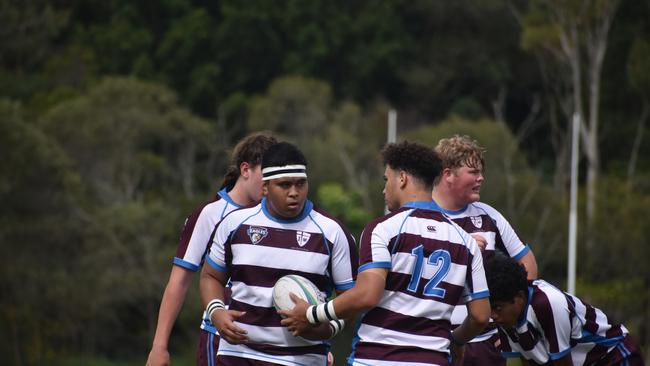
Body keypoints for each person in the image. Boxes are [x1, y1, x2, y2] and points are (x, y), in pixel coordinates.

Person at [280, 141, 491, 366]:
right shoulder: (465, 241)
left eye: (386, 179)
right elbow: (480, 316)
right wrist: (456, 340)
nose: (383, 189)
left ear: (402, 178)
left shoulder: (384, 229)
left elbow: (367, 294)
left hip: (378, 359)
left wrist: (313, 314)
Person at [200, 141, 359, 365]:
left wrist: (324, 329)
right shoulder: (234, 224)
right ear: (265, 187)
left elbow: (350, 302)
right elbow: (211, 277)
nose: (294, 192)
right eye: (284, 185)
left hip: (302, 359)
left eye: (300, 183)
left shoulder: (333, 233)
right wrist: (216, 312)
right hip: (238, 354)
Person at [146, 133, 277, 366]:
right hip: (218, 339)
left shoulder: (279, 216)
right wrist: (159, 347)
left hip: (271, 343)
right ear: (245, 170)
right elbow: (179, 282)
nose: (271, 185)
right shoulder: (210, 214)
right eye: (266, 175)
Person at [432, 135, 538, 365]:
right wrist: (462, 248)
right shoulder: (420, 216)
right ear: (447, 174)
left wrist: (510, 322)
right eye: (473, 172)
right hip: (433, 342)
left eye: (481, 172)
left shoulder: (487, 215)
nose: (481, 178)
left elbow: (527, 263)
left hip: (484, 344)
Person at [486, 256, 644, 366]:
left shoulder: (547, 303)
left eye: (498, 308)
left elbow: (562, 362)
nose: (493, 315)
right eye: (491, 308)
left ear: (519, 297)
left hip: (614, 357)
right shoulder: (505, 317)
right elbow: (528, 359)